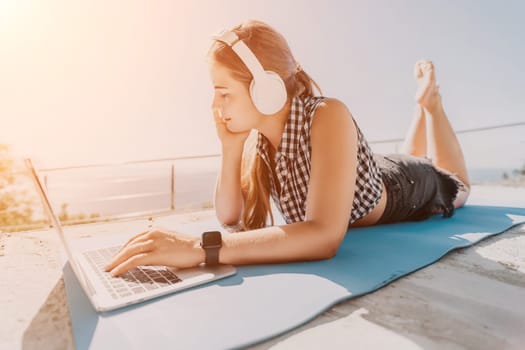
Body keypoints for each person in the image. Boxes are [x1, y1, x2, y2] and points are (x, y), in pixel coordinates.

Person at [105, 20, 470, 277]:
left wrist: (201, 248)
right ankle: (421, 110)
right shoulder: (261, 142)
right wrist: (230, 149)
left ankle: (431, 106)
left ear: (265, 88)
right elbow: (230, 217)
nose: (216, 107)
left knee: (457, 182)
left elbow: (324, 236)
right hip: (374, 169)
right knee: (408, 154)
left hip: (406, 187)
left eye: (223, 93)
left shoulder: (328, 115)